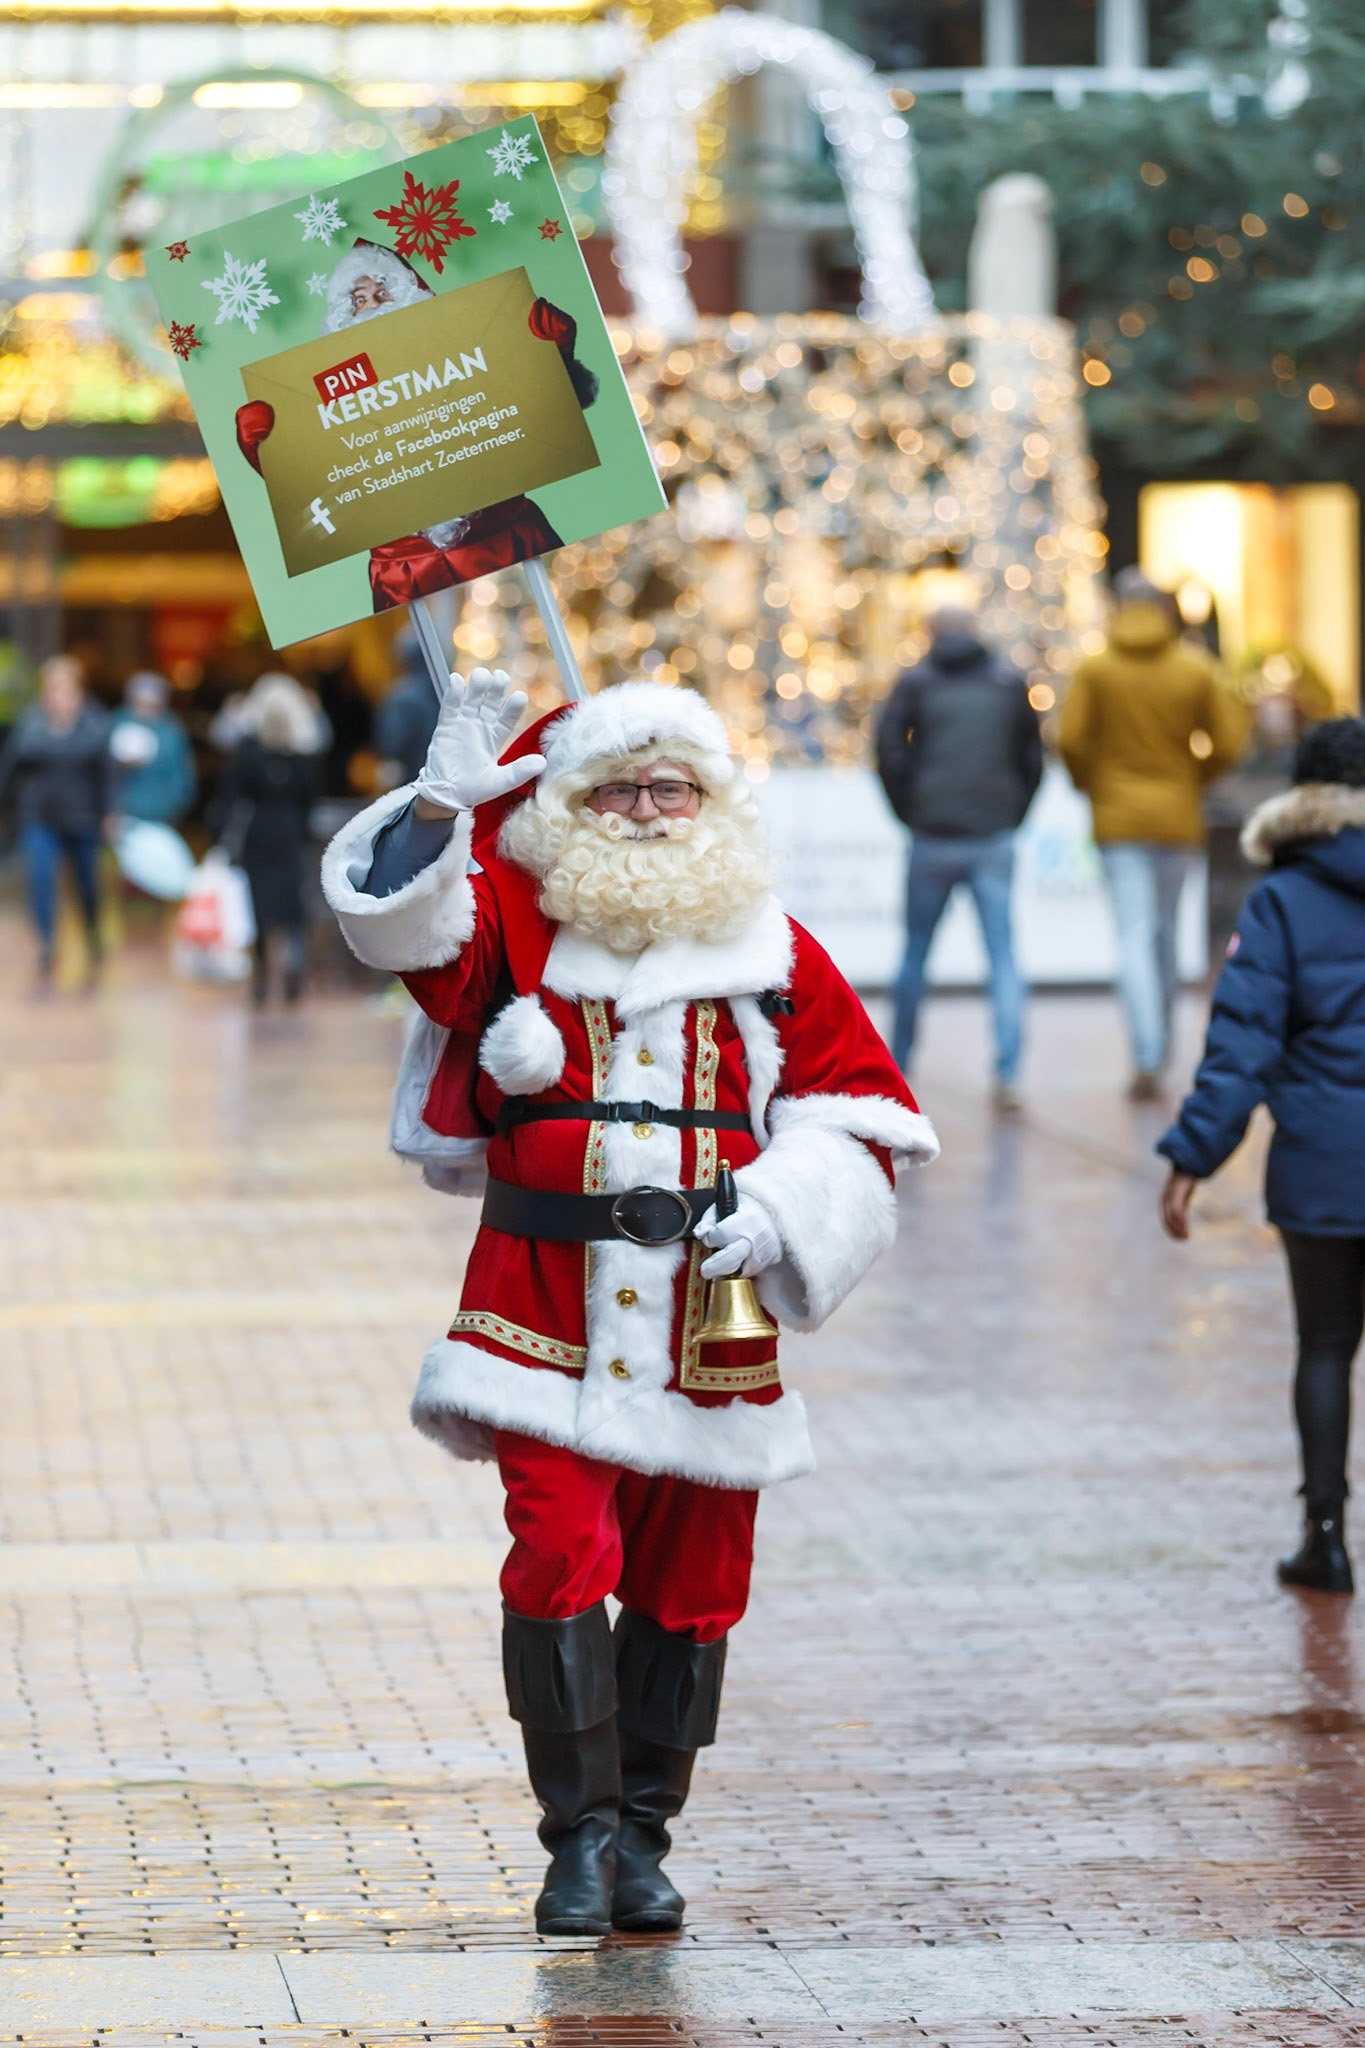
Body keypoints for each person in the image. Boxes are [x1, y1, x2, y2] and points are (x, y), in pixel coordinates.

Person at [322, 670, 939, 1937]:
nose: (648, 809)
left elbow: (864, 1117)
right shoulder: (520, 919)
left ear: (712, 800)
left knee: (696, 1578)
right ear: (576, 804)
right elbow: (400, 933)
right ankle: (579, 1837)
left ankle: (647, 1831)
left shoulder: (771, 947)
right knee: (559, 1547)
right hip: (537, 1305)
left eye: (673, 786)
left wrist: (780, 1207)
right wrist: (439, 805)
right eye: (620, 788)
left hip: (709, 1319)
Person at [1157, 718, 1365, 1596]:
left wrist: (1191, 1157)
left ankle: (1324, 1539)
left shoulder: (1280, 901)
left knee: (1323, 1347)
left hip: (1321, 1163)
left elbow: (1240, 1045)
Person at [233, 240, 600, 613]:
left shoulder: (471, 354)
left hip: (509, 541)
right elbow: (315, 477)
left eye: (384, 291)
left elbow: (530, 410)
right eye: (359, 300)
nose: (373, 306)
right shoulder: (327, 401)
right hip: (406, 575)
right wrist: (265, 444)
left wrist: (547, 352)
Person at [1060, 568, 1245, 1100]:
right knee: (1164, 932)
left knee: (1136, 935)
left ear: (1119, 606)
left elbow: (1071, 739)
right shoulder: (1195, 668)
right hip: (1178, 816)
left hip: (1118, 818)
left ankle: (1147, 1051)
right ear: (1164, 610)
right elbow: (1230, 741)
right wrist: (1194, 778)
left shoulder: (1097, 670)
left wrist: (1092, 784)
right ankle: (1158, 1043)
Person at [875, 605, 1042, 1109]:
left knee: (914, 954)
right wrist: (1012, 812)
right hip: (992, 836)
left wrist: (910, 810)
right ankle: (1009, 1071)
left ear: (930, 633)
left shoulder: (916, 683)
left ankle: (896, 1067)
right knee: (1003, 956)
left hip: (932, 836)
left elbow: (887, 751)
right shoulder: (1008, 682)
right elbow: (1032, 758)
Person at [0, 653, 111, 985]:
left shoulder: (95, 724)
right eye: (52, 689)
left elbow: (106, 775)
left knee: (87, 884)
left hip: (83, 817)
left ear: (78, 691)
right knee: (40, 880)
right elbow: (11, 773)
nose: (57, 696)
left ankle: (92, 931)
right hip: (40, 817)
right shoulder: (31, 725)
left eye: (64, 689)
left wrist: (109, 813)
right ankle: (47, 942)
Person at [213, 674, 323, 1005]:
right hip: (287, 837)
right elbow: (310, 800)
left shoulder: (249, 756)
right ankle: (288, 967)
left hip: (261, 836)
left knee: (263, 907)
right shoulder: (302, 760)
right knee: (290, 908)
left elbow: (229, 795)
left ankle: (265, 971)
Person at [109, 670, 196, 825]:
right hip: (120, 819)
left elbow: (182, 779)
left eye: (152, 705)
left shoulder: (171, 732)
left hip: (160, 819)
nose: (145, 711)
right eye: (140, 704)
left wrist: (172, 810)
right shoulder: (115, 725)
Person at [374, 635, 441, 789]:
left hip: (410, 779)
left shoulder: (401, 696)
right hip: (439, 778)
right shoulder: (444, 691)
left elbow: (393, 743)